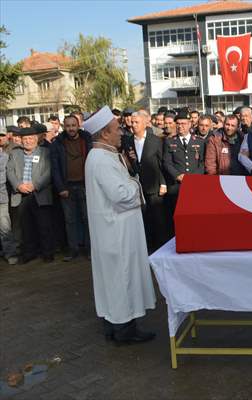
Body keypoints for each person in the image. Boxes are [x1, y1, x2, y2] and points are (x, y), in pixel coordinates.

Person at [83, 105, 156, 345]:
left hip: (114, 229)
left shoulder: (103, 156)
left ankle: (116, 326)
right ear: (104, 133)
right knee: (121, 278)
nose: (121, 133)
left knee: (115, 280)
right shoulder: (102, 160)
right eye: (116, 129)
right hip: (116, 233)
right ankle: (124, 329)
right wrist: (136, 184)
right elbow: (120, 194)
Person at [6, 126, 54, 263]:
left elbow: (49, 172)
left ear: (36, 139)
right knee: (26, 227)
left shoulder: (45, 152)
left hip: (39, 193)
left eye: (30, 138)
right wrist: (18, 185)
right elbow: (10, 172)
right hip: (21, 195)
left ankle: (47, 253)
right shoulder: (15, 154)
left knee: (44, 225)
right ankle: (29, 253)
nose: (27, 141)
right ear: (21, 140)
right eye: (25, 139)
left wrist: (36, 185)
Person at [123, 110, 169, 251]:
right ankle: (146, 247)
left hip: (155, 185)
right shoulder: (128, 141)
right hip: (138, 186)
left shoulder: (155, 141)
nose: (133, 125)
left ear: (145, 123)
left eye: (137, 122)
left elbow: (161, 163)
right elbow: (130, 163)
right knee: (144, 218)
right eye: (132, 122)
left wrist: (163, 183)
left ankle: (160, 247)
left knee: (158, 218)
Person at [50, 115, 93, 261]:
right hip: (67, 186)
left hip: (85, 185)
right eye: (68, 126)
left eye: (73, 125)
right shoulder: (57, 143)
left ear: (78, 125)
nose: (71, 129)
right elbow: (54, 168)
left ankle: (90, 250)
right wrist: (61, 187)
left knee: (88, 219)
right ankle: (73, 250)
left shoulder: (87, 140)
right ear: (64, 126)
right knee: (70, 220)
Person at [0, 128, 18, 265]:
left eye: (1, 135)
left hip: (3, 197)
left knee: (5, 227)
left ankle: (10, 253)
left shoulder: (7, 156)